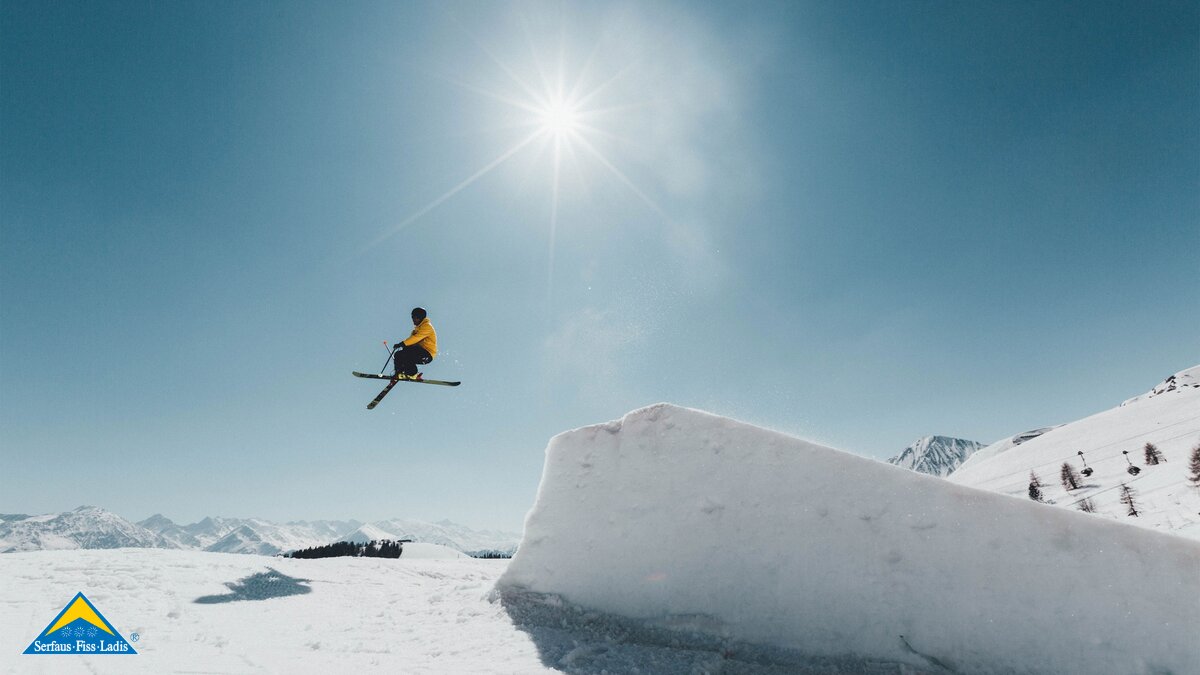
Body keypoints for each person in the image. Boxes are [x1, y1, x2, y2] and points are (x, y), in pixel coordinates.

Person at [393, 307, 437, 380]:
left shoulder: (427, 327)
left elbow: (416, 338)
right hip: (418, 352)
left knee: (407, 350)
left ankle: (412, 374)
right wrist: (401, 345)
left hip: (427, 355)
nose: (413, 320)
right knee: (398, 354)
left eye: (415, 318)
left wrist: (402, 343)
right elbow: (410, 341)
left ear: (420, 318)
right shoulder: (416, 330)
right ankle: (399, 372)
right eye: (412, 317)